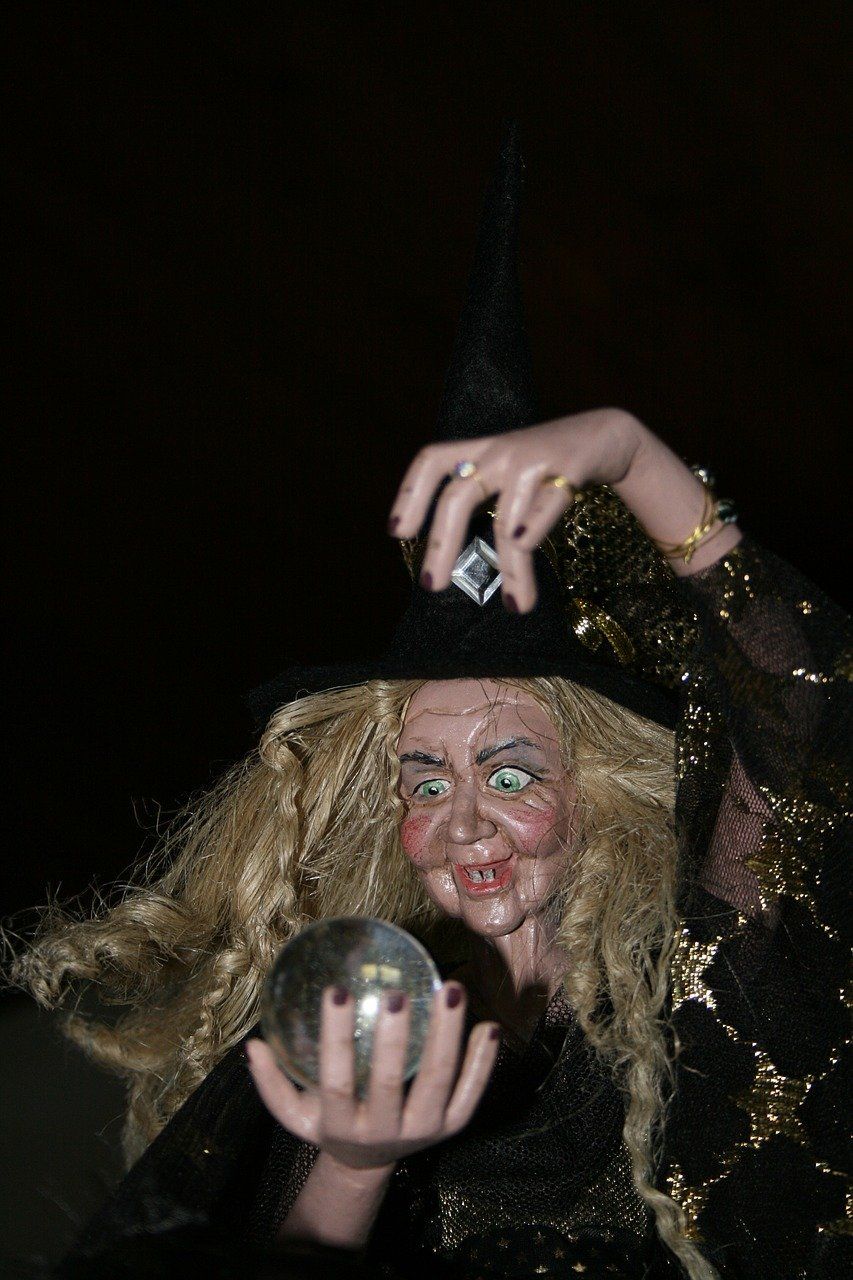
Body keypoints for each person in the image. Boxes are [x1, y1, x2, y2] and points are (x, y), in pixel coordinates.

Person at [11, 128, 849, 1280]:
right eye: (425, 781)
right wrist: (355, 1159)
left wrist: (630, 456)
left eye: (508, 773)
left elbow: (797, 709)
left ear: (595, 788)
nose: (462, 823)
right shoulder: (355, 1026)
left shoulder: (706, 969)